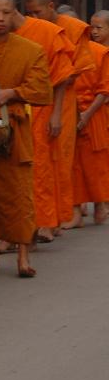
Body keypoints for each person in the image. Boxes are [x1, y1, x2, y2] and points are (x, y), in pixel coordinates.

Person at [0, 0, 53, 278]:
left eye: (6, 12)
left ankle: (22, 257)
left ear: (14, 13)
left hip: (16, 132)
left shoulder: (30, 50)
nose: (0, 18)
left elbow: (43, 90)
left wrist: (10, 93)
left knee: (20, 196)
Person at [26, 0, 94, 229]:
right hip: (35, 100)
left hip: (63, 101)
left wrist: (58, 74)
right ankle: (41, 218)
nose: (34, 17)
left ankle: (55, 218)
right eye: (30, 12)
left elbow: (78, 69)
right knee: (37, 160)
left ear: (51, 6)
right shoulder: (31, 29)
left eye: (38, 11)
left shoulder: (72, 28)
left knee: (61, 160)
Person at [12, 5, 75, 241]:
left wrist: (56, 113)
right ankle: (15, 228)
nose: (0, 18)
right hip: (14, 110)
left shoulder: (47, 33)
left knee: (42, 169)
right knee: (12, 174)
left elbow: (63, 75)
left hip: (41, 109)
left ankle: (46, 222)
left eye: (4, 12)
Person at [66, 15, 109, 226]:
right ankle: (75, 210)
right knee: (73, 165)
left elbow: (104, 90)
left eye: (97, 28)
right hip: (68, 112)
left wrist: (87, 114)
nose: (93, 32)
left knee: (95, 165)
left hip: (93, 113)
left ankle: (100, 205)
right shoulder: (65, 53)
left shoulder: (100, 53)